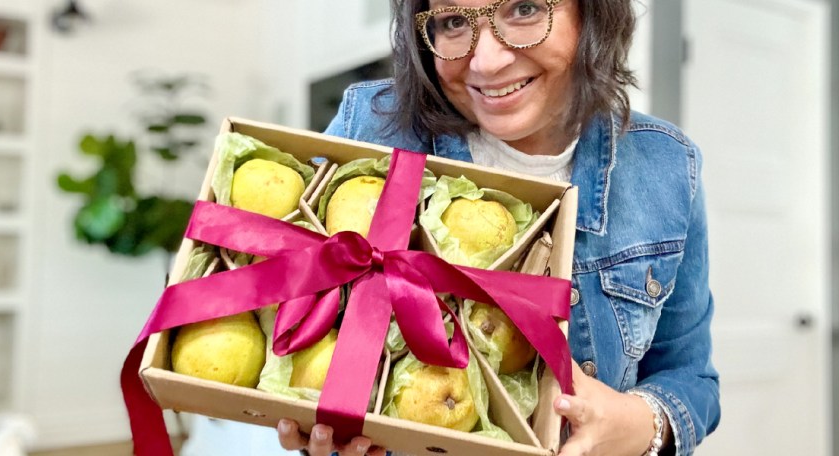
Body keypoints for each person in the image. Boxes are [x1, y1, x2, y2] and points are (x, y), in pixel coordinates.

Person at [278, 0, 720, 455]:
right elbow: (283, 312)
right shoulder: (371, 129)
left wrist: (642, 422)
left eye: (524, 9)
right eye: (452, 22)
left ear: (592, 13)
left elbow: (691, 378)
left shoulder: (664, 166)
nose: (487, 62)